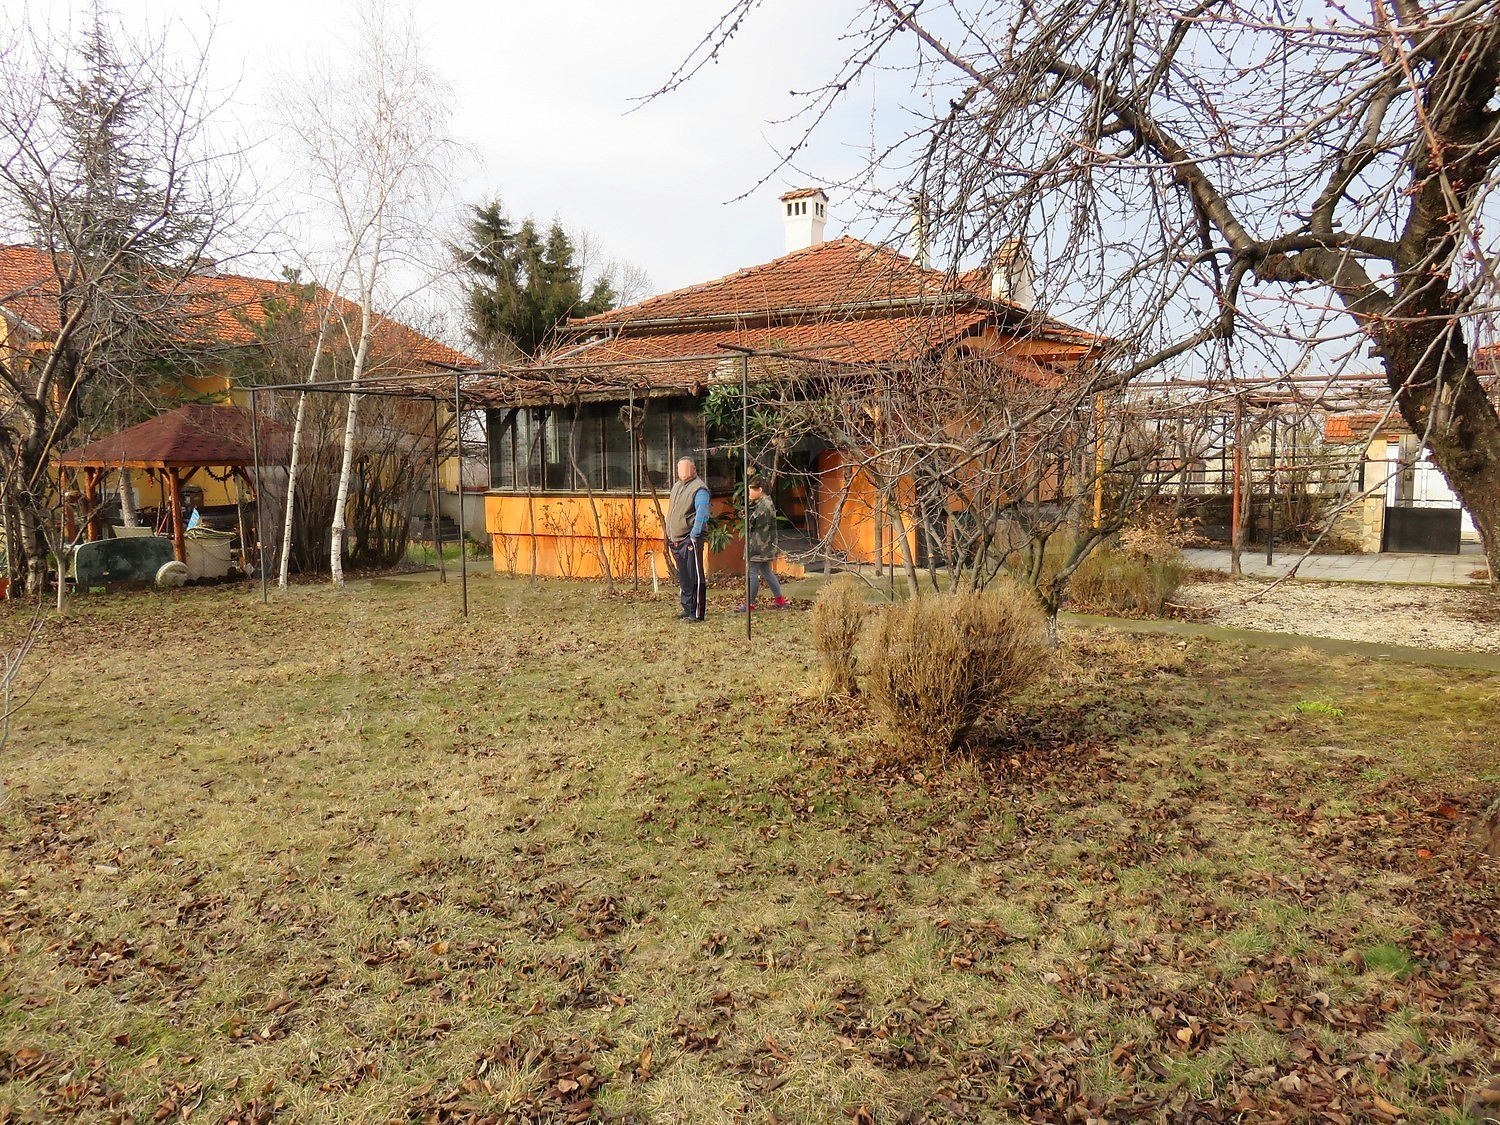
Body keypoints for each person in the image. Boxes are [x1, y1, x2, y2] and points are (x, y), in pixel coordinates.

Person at [664, 457, 710, 622]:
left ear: (694, 469)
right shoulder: (677, 486)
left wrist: (694, 534)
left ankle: (696, 613)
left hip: (690, 539)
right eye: (679, 469)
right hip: (676, 539)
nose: (682, 472)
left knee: (695, 576)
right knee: (684, 577)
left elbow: (702, 513)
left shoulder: (699, 488)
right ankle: (687, 607)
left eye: (685, 468)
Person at [736, 476, 789, 611]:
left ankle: (750, 603)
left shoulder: (765, 505)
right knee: (766, 571)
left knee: (752, 572)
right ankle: (780, 601)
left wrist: (746, 514)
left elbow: (753, 522)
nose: (749, 493)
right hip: (763, 545)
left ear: (760, 490)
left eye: (751, 490)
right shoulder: (763, 502)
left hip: (759, 545)